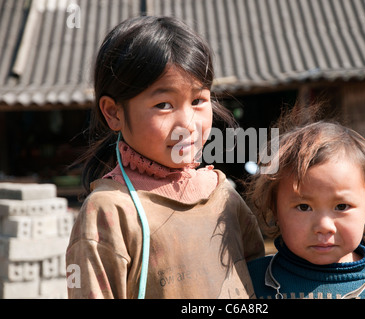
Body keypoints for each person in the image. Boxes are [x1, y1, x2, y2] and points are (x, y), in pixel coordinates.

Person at [66, 16, 264, 299]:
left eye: (198, 101)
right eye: (163, 105)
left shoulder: (222, 195)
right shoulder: (109, 212)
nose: (187, 123)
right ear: (113, 112)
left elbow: (259, 282)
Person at [246, 105, 365, 299]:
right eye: (304, 207)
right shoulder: (250, 282)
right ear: (275, 210)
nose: (324, 227)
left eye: (341, 206)